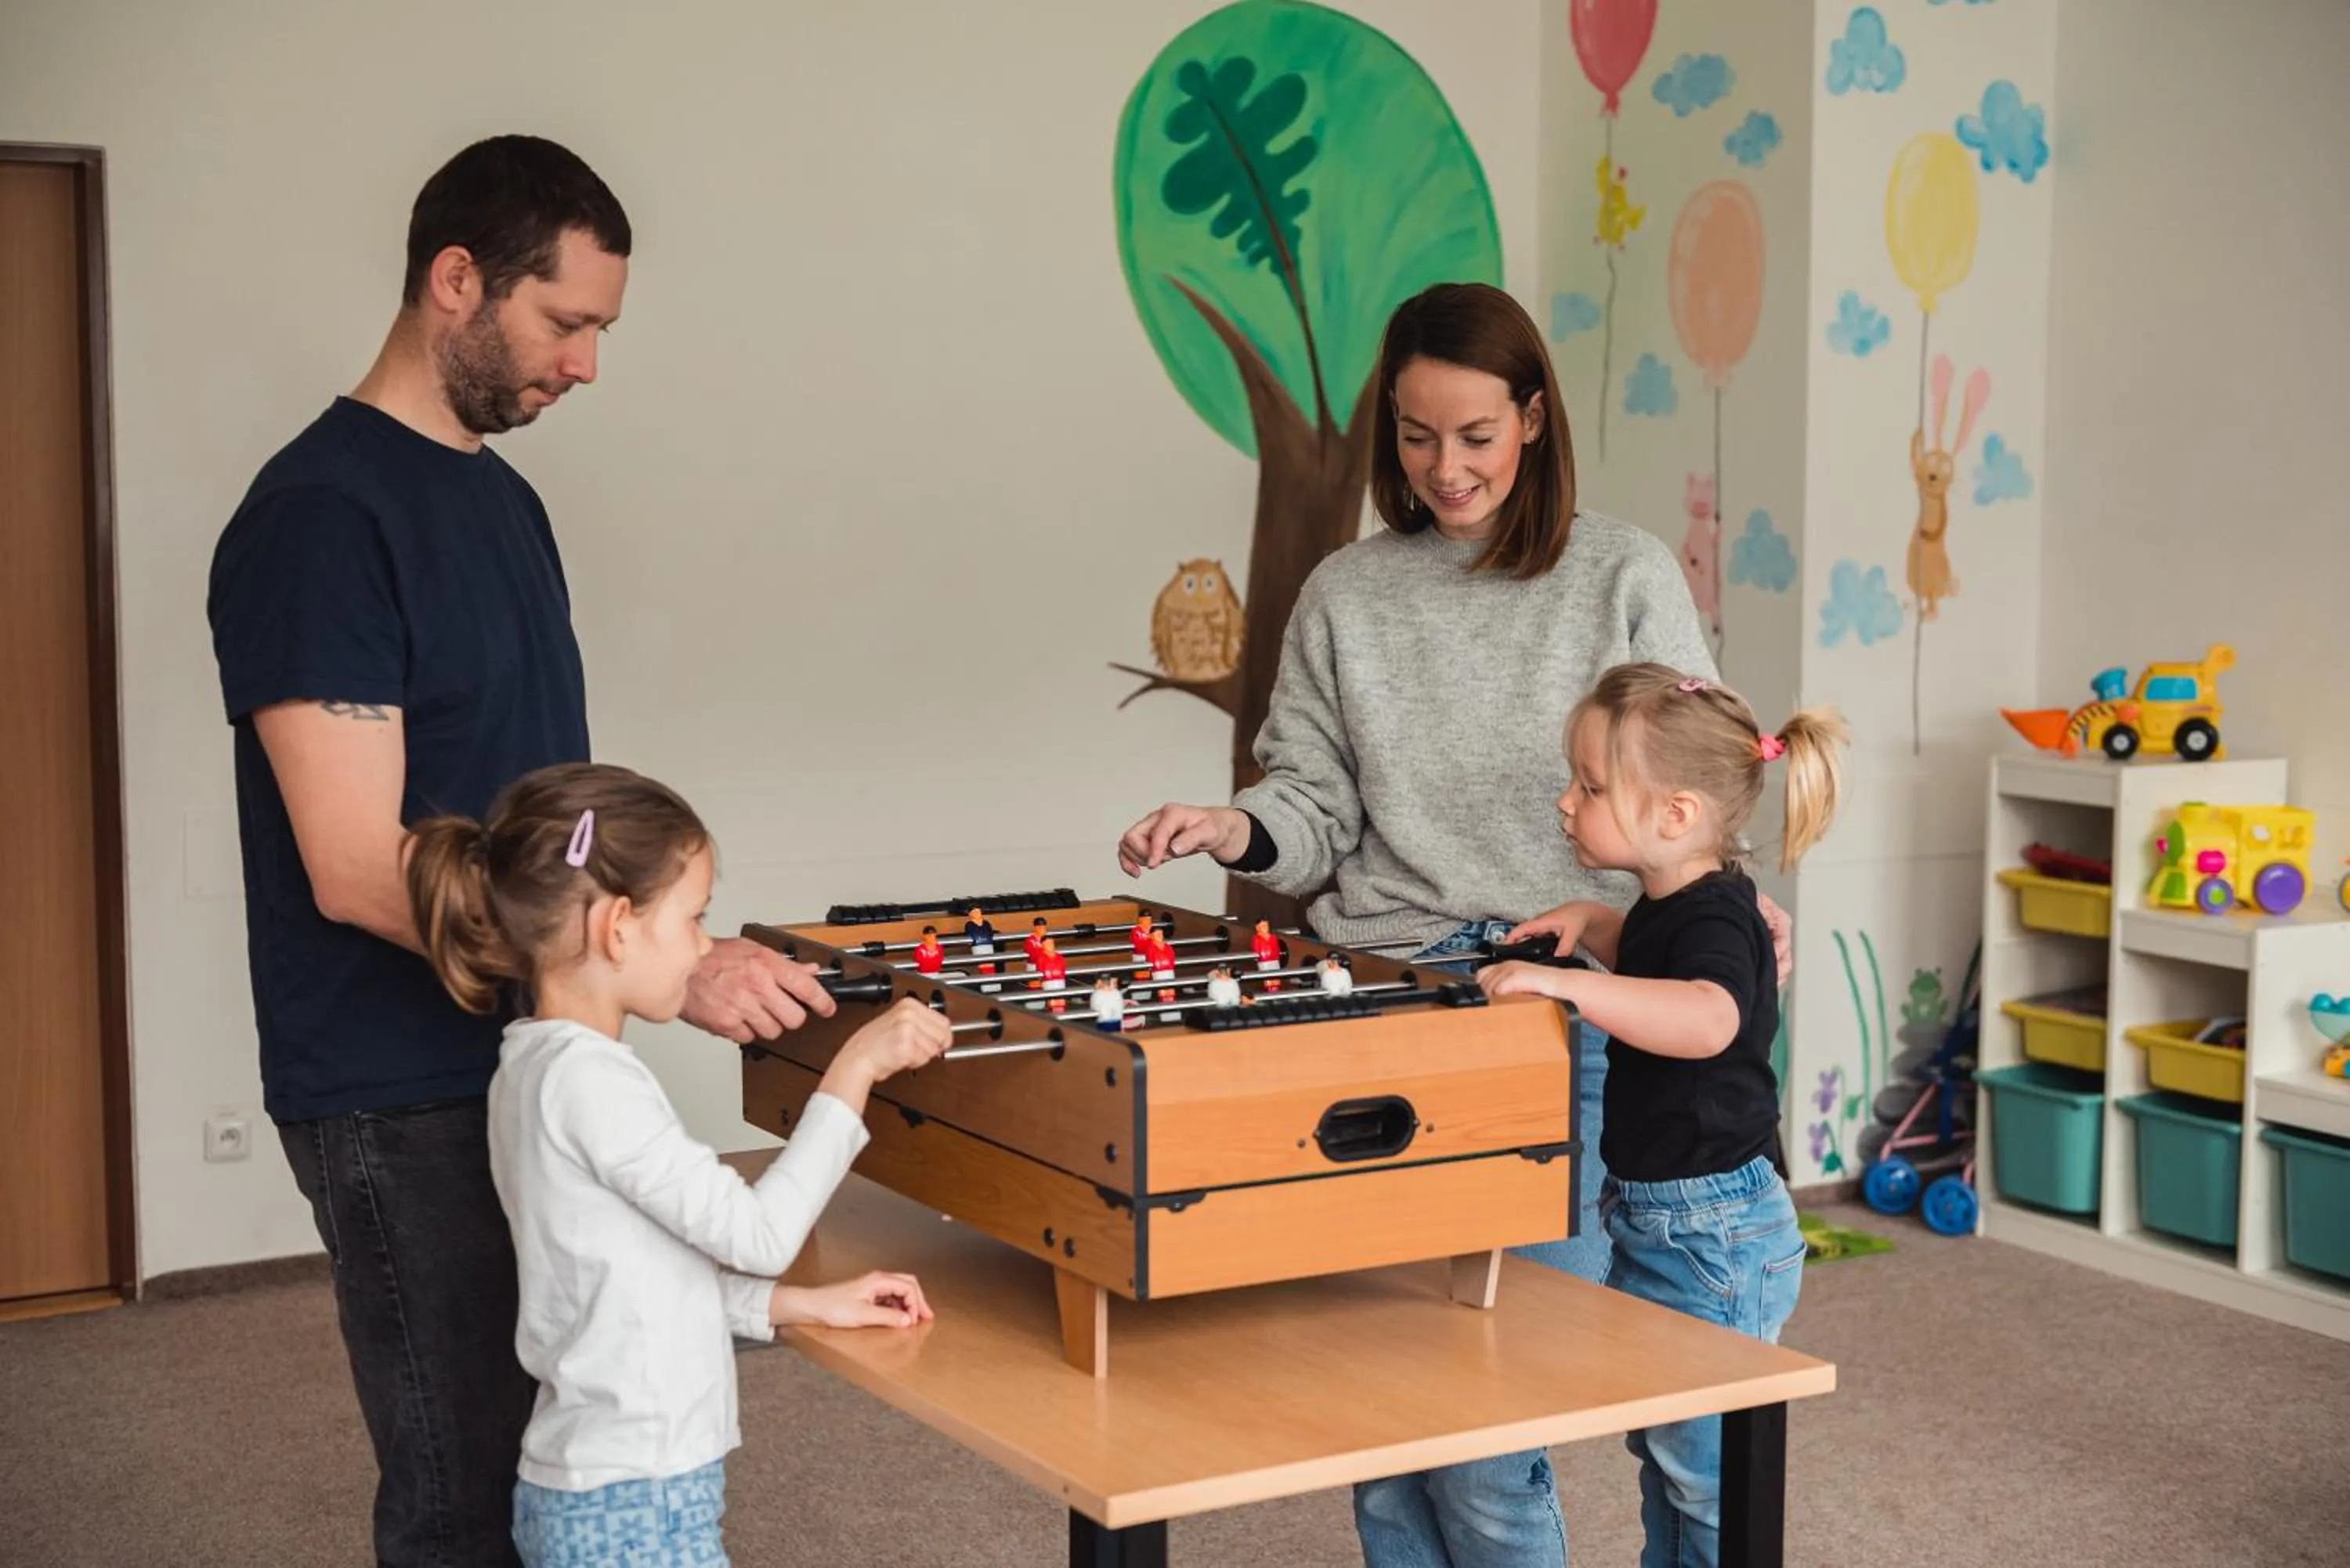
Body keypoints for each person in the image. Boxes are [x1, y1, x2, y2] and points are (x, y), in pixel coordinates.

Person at [205, 135, 836, 1566]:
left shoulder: (506, 503)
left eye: (600, 329)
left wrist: (670, 938)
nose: (586, 364)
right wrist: (645, 974)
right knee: (466, 1498)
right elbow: (359, 867)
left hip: (524, 1060)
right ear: (455, 282)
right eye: (567, 322)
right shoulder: (318, 518)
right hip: (390, 1085)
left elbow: (567, 827)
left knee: (565, 1460)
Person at [1115, 281, 1788, 1568]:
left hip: (1568, 982)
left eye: (1476, 434)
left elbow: (1693, 779)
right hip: (1394, 989)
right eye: (1419, 438)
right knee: (1396, 1377)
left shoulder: (1623, 572)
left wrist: (1733, 902)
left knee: (1503, 1366)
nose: (1447, 467)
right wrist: (1233, 826)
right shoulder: (1346, 593)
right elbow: (1309, 806)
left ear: (1531, 419)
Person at [403, 762, 953, 1566]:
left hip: (608, 1488)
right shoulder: (592, 1084)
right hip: (635, 1501)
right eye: (695, 918)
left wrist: (799, 1305)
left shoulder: (535, 1067)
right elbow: (758, 1233)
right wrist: (856, 1069)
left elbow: (632, 1282)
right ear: (619, 926)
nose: (704, 946)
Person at [1482, 666, 1846, 1568]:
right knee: (1669, 1455)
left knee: (1707, 1470)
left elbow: (1708, 1016)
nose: (1567, 803)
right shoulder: (1669, 901)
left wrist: (1568, 984)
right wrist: (1591, 926)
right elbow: (1653, 954)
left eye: (1592, 786)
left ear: (1677, 814)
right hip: (1665, 1220)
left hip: (1713, 1232)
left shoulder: (1721, 917)